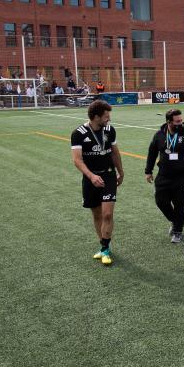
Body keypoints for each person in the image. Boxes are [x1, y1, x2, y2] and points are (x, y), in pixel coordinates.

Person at [70, 100, 124, 265]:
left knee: (107, 213)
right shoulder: (78, 133)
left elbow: (115, 153)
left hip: (108, 176)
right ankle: (104, 247)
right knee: (97, 214)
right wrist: (92, 176)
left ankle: (106, 248)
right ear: (96, 117)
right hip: (90, 179)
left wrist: (120, 172)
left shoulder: (109, 130)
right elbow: (77, 160)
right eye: (106, 117)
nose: (109, 120)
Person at [145, 109, 184, 243]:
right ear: (169, 122)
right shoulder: (159, 134)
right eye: (177, 122)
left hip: (181, 177)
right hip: (163, 175)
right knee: (160, 201)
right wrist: (148, 171)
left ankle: (177, 230)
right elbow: (152, 152)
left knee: (180, 205)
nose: (180, 123)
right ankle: (175, 221)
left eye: (181, 120)